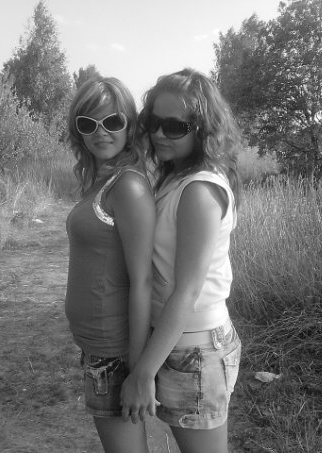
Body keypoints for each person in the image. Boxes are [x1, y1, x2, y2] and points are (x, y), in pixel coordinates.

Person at [120, 68, 243, 453]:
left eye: (174, 127)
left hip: (195, 349)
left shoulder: (199, 191)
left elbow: (187, 291)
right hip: (180, 343)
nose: (159, 134)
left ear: (203, 130)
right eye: (153, 122)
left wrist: (143, 373)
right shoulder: (176, 178)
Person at [64, 77, 155, 453]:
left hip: (114, 353)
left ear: (129, 126)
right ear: (79, 130)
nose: (100, 132)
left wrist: (137, 370)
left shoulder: (128, 187)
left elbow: (143, 280)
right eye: (88, 123)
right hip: (98, 348)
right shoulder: (103, 179)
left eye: (112, 121)